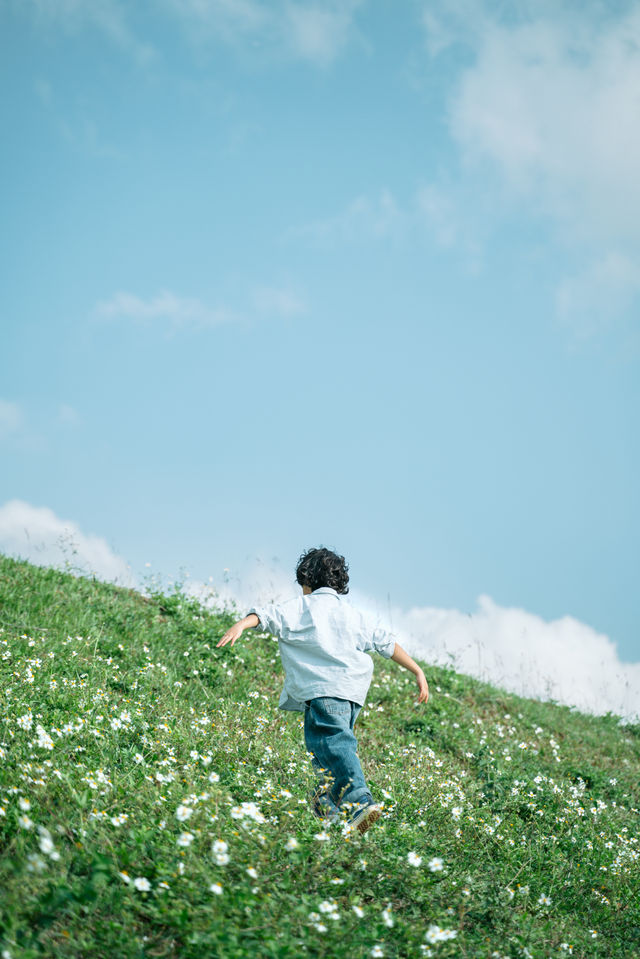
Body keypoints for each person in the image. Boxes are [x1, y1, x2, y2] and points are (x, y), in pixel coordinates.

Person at [216, 546, 429, 834]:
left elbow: (267, 616)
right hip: (352, 696)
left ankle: (359, 801)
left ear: (306, 581)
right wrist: (417, 670)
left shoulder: (302, 606)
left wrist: (242, 623)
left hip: (324, 692)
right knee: (323, 751)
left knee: (336, 746)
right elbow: (385, 643)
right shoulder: (354, 614)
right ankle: (326, 807)